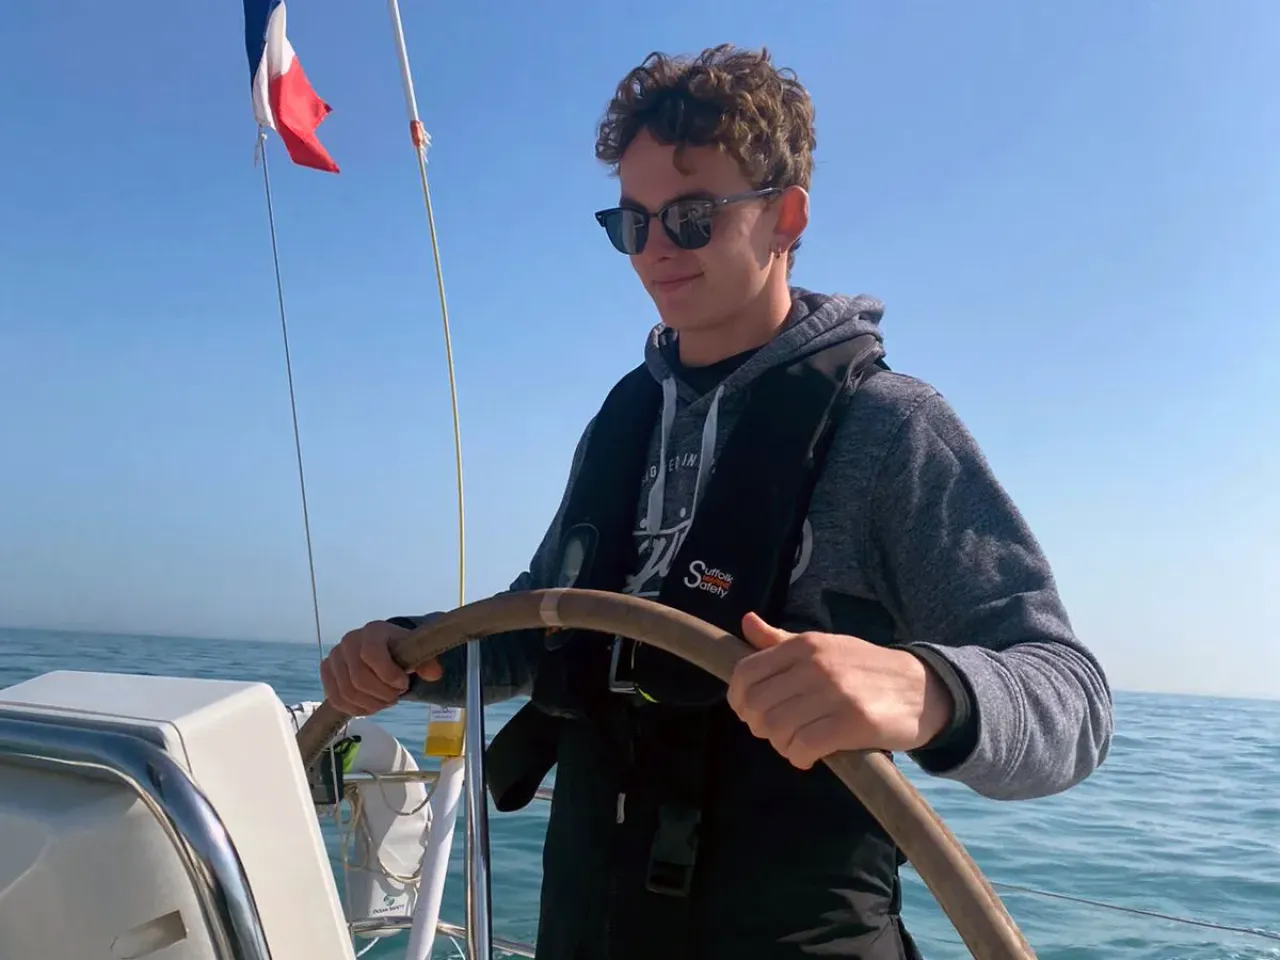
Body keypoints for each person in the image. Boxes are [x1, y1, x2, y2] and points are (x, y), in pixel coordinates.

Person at [320, 44, 1113, 960]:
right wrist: (410, 649)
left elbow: (1074, 702)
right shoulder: (620, 421)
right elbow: (546, 625)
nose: (656, 248)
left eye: (693, 217)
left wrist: (928, 691)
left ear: (785, 217)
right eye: (633, 221)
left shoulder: (890, 429)